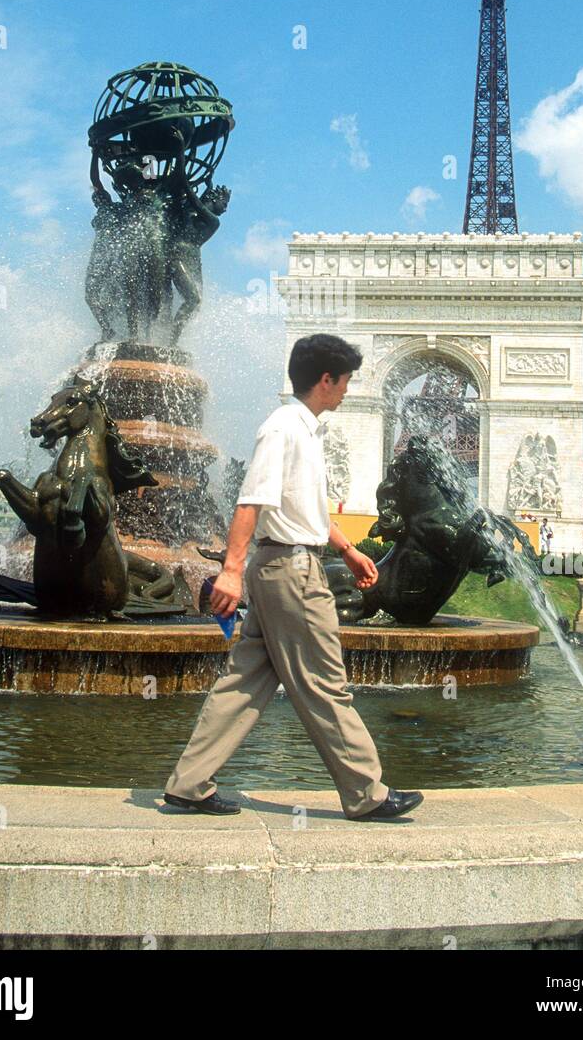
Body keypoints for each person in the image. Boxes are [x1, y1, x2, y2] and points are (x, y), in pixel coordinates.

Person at [162, 333, 424, 821]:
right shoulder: (284, 428)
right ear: (326, 379)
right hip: (290, 572)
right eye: (345, 380)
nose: (348, 390)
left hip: (286, 563)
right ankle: (367, 794)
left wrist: (347, 550)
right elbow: (251, 501)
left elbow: (305, 509)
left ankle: (189, 783)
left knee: (247, 678)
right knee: (325, 681)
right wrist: (231, 572)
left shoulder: (306, 430)